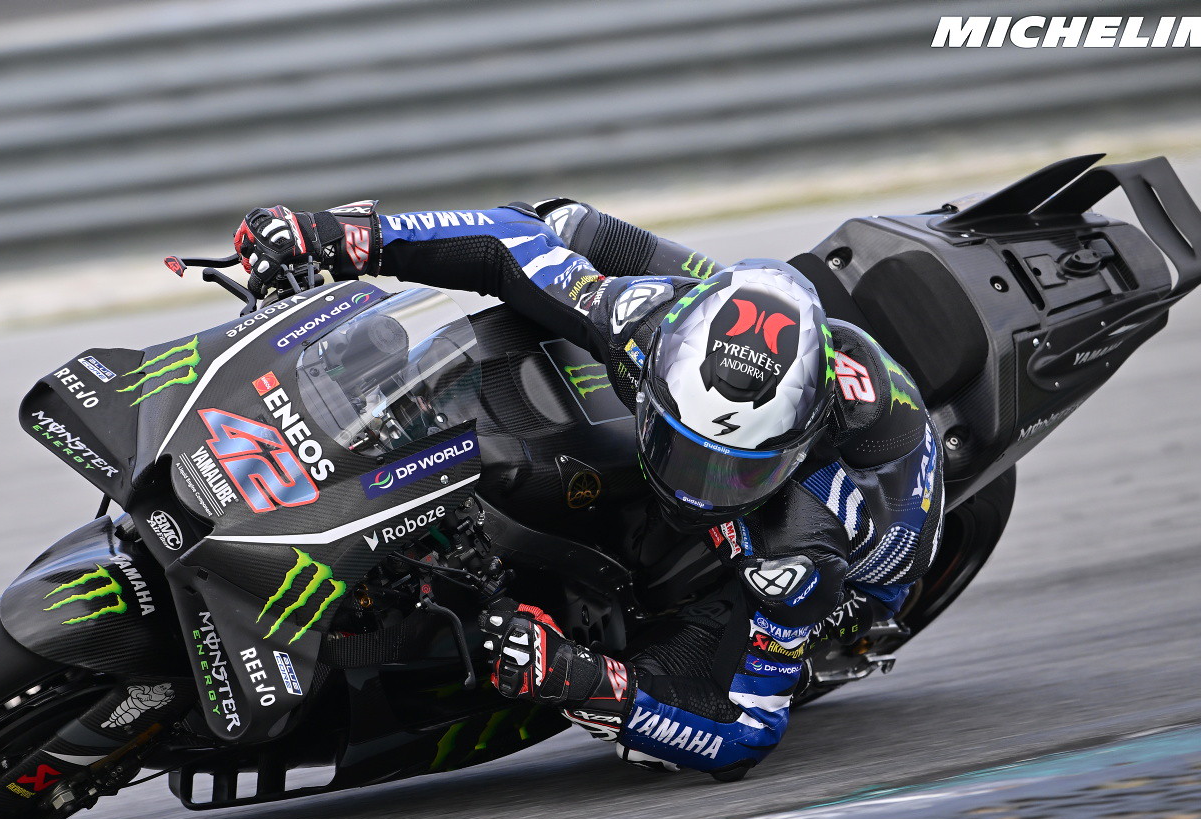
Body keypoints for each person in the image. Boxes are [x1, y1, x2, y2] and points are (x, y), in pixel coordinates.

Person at [233, 199, 944, 781]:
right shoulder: (645, 323)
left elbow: (747, 730)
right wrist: (349, 235)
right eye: (683, 448)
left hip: (860, 533)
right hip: (727, 333)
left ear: (793, 447)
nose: (696, 489)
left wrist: (579, 679)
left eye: (732, 470)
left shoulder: (807, 537)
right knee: (565, 223)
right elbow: (508, 241)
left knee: (710, 657)